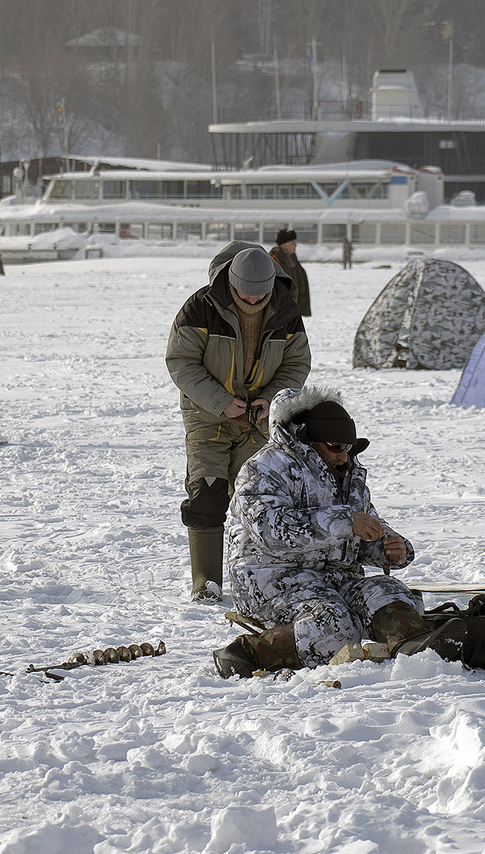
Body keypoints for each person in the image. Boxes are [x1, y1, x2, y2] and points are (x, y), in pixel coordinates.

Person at [213, 385, 435, 678]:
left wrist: (387, 546)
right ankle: (246, 653)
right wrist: (344, 522)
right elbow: (271, 530)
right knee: (335, 626)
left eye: (349, 448)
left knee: (389, 593)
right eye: (335, 447)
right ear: (308, 439)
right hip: (274, 582)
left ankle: (420, 652)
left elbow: (364, 522)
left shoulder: (347, 472)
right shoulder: (264, 469)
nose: (344, 456)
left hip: (335, 579)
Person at [166, 243, 310, 601]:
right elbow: (181, 361)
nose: (252, 302)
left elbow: (296, 364)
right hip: (207, 416)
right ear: (230, 283)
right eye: (244, 296)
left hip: (257, 420)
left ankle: (260, 576)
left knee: (257, 499)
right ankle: (207, 582)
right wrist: (220, 401)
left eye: (260, 298)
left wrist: (271, 397)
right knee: (207, 493)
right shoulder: (200, 307)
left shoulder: (286, 310)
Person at [268, 229, 309, 317]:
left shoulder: (293, 260)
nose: (295, 245)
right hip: (279, 311)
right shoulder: (274, 261)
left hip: (293, 309)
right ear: (284, 245)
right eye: (292, 243)